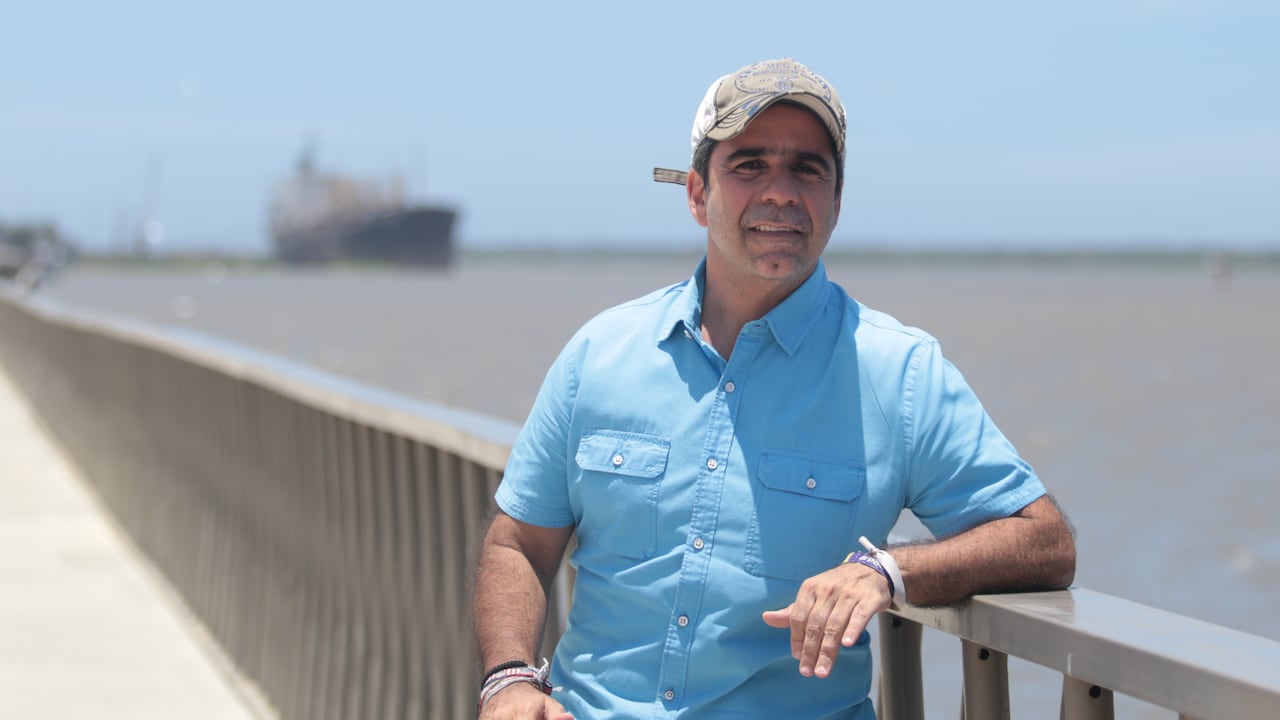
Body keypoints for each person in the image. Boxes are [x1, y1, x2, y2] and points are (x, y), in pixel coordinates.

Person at [472, 57, 1075, 719]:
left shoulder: (900, 372)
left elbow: (1043, 541)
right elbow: (519, 543)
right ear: (697, 194)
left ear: (836, 202)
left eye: (808, 169)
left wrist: (889, 571)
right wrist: (509, 680)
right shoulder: (600, 353)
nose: (781, 192)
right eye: (750, 164)